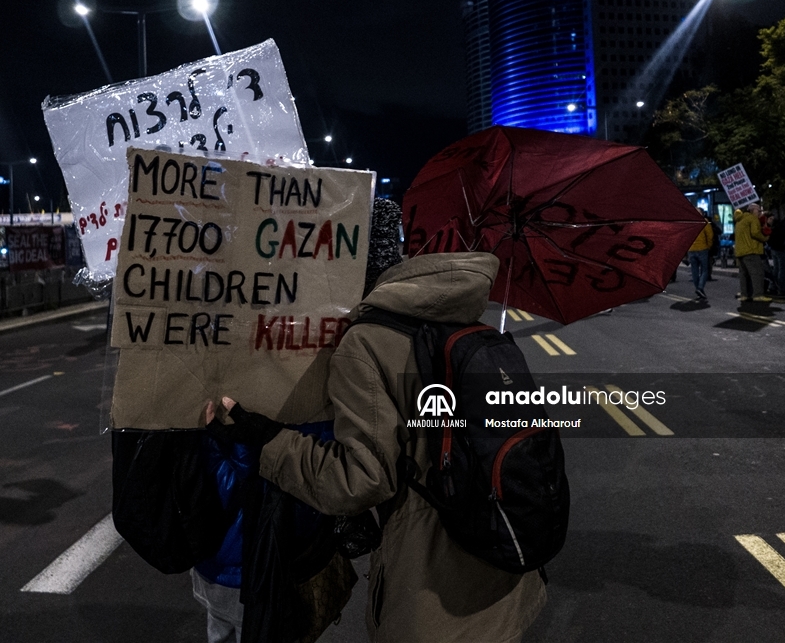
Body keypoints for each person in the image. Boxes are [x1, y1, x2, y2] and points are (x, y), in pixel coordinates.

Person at [208, 203, 545, 642]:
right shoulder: (455, 317)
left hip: (437, 596)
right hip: (507, 569)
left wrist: (268, 442)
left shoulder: (367, 341)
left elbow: (362, 481)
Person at [733, 202, 770, 302]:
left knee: (744, 275)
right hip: (751, 250)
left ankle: (744, 295)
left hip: (740, 251)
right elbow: (755, 233)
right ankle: (758, 295)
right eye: (758, 210)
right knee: (757, 273)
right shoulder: (752, 219)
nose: (759, 213)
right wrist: (765, 238)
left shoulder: (739, 220)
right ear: (753, 210)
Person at [687, 208, 713, 300]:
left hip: (691, 249)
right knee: (705, 270)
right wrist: (708, 246)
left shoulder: (689, 223)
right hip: (702, 248)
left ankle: (698, 288)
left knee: (694, 271)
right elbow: (710, 235)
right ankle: (700, 287)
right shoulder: (704, 221)